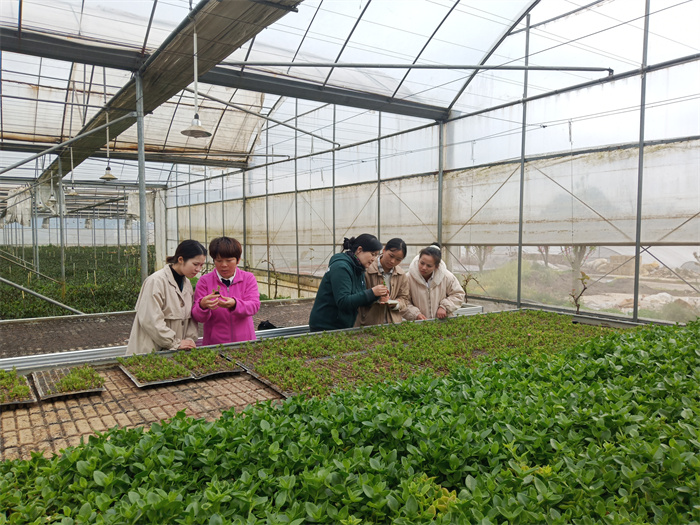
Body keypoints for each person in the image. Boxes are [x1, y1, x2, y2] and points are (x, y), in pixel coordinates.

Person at [126, 239, 206, 355]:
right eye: (195, 264)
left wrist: (189, 339)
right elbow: (151, 320)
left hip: (177, 351)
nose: (198, 269)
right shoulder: (156, 281)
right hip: (151, 351)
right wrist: (174, 342)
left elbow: (191, 318)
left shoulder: (187, 284)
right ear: (180, 259)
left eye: (201, 265)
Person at [309, 234, 389, 332]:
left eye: (376, 255)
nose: (374, 259)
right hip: (325, 326)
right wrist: (372, 292)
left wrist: (376, 295)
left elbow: (358, 299)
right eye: (372, 254)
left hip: (341, 325)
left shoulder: (358, 268)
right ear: (359, 250)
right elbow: (343, 301)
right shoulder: (341, 267)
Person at [192, 236, 261, 345]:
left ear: (238, 260)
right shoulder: (204, 281)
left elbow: (254, 306)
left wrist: (235, 304)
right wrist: (202, 305)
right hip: (214, 344)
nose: (224, 265)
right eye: (219, 261)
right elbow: (198, 317)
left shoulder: (248, 278)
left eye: (229, 260)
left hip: (244, 342)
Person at [355, 237, 410, 327]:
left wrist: (396, 304)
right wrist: (375, 298)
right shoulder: (367, 270)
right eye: (391, 256)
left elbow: (404, 298)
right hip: (368, 323)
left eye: (398, 259)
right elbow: (357, 295)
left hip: (393, 324)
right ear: (384, 250)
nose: (392, 261)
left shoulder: (401, 274)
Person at [403, 243, 465, 321]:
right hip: (418, 323)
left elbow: (458, 294)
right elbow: (404, 301)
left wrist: (444, 307)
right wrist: (416, 314)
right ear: (419, 260)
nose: (424, 268)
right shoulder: (408, 278)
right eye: (422, 263)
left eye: (429, 266)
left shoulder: (447, 277)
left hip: (442, 322)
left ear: (436, 266)